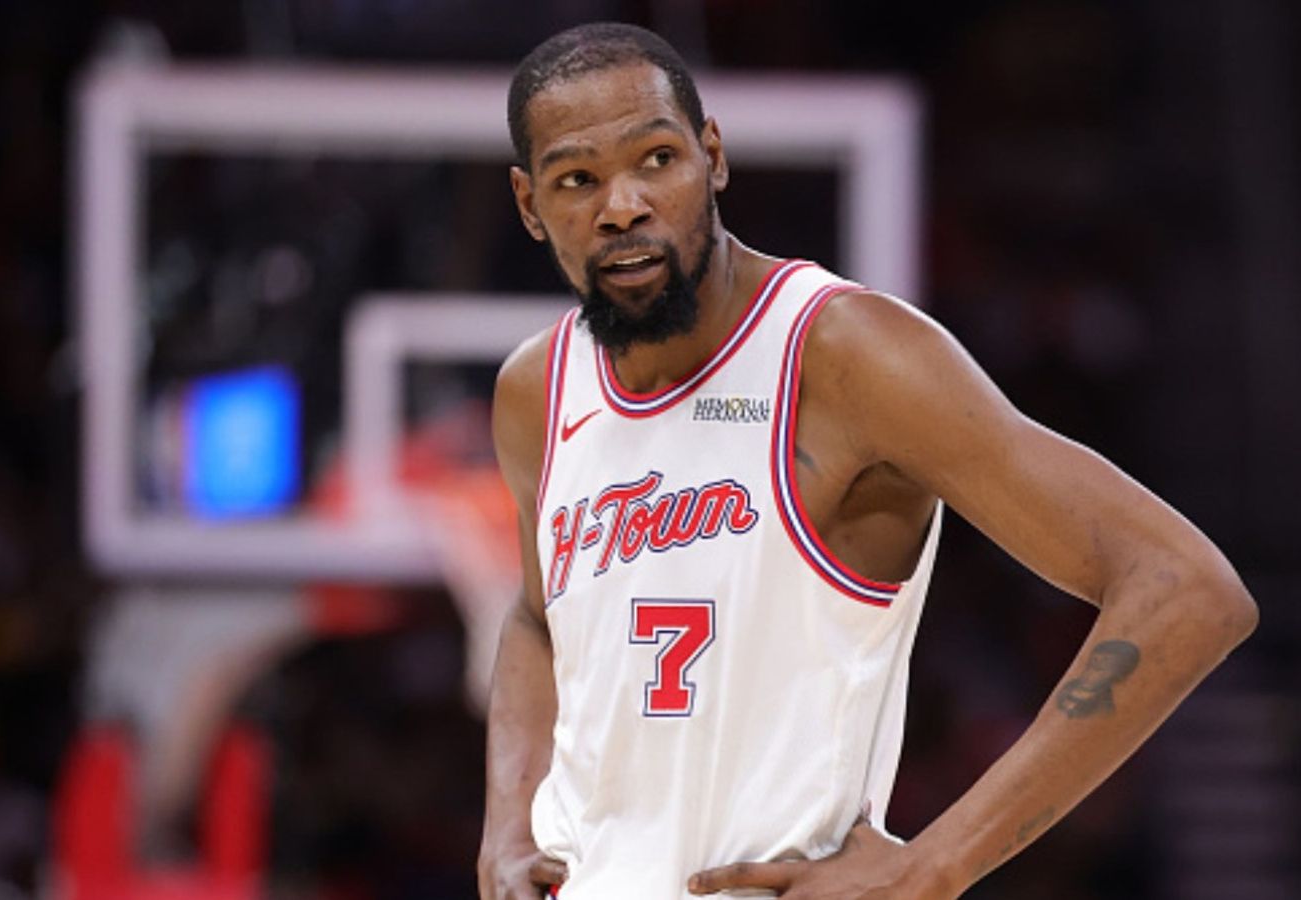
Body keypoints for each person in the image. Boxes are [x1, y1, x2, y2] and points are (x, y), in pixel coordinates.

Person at [478, 22, 1257, 900]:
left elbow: (1188, 591)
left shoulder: (845, 355)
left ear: (713, 158)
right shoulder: (535, 390)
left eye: (656, 159)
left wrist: (937, 863)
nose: (622, 205)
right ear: (529, 204)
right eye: (578, 179)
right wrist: (507, 827)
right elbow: (538, 618)